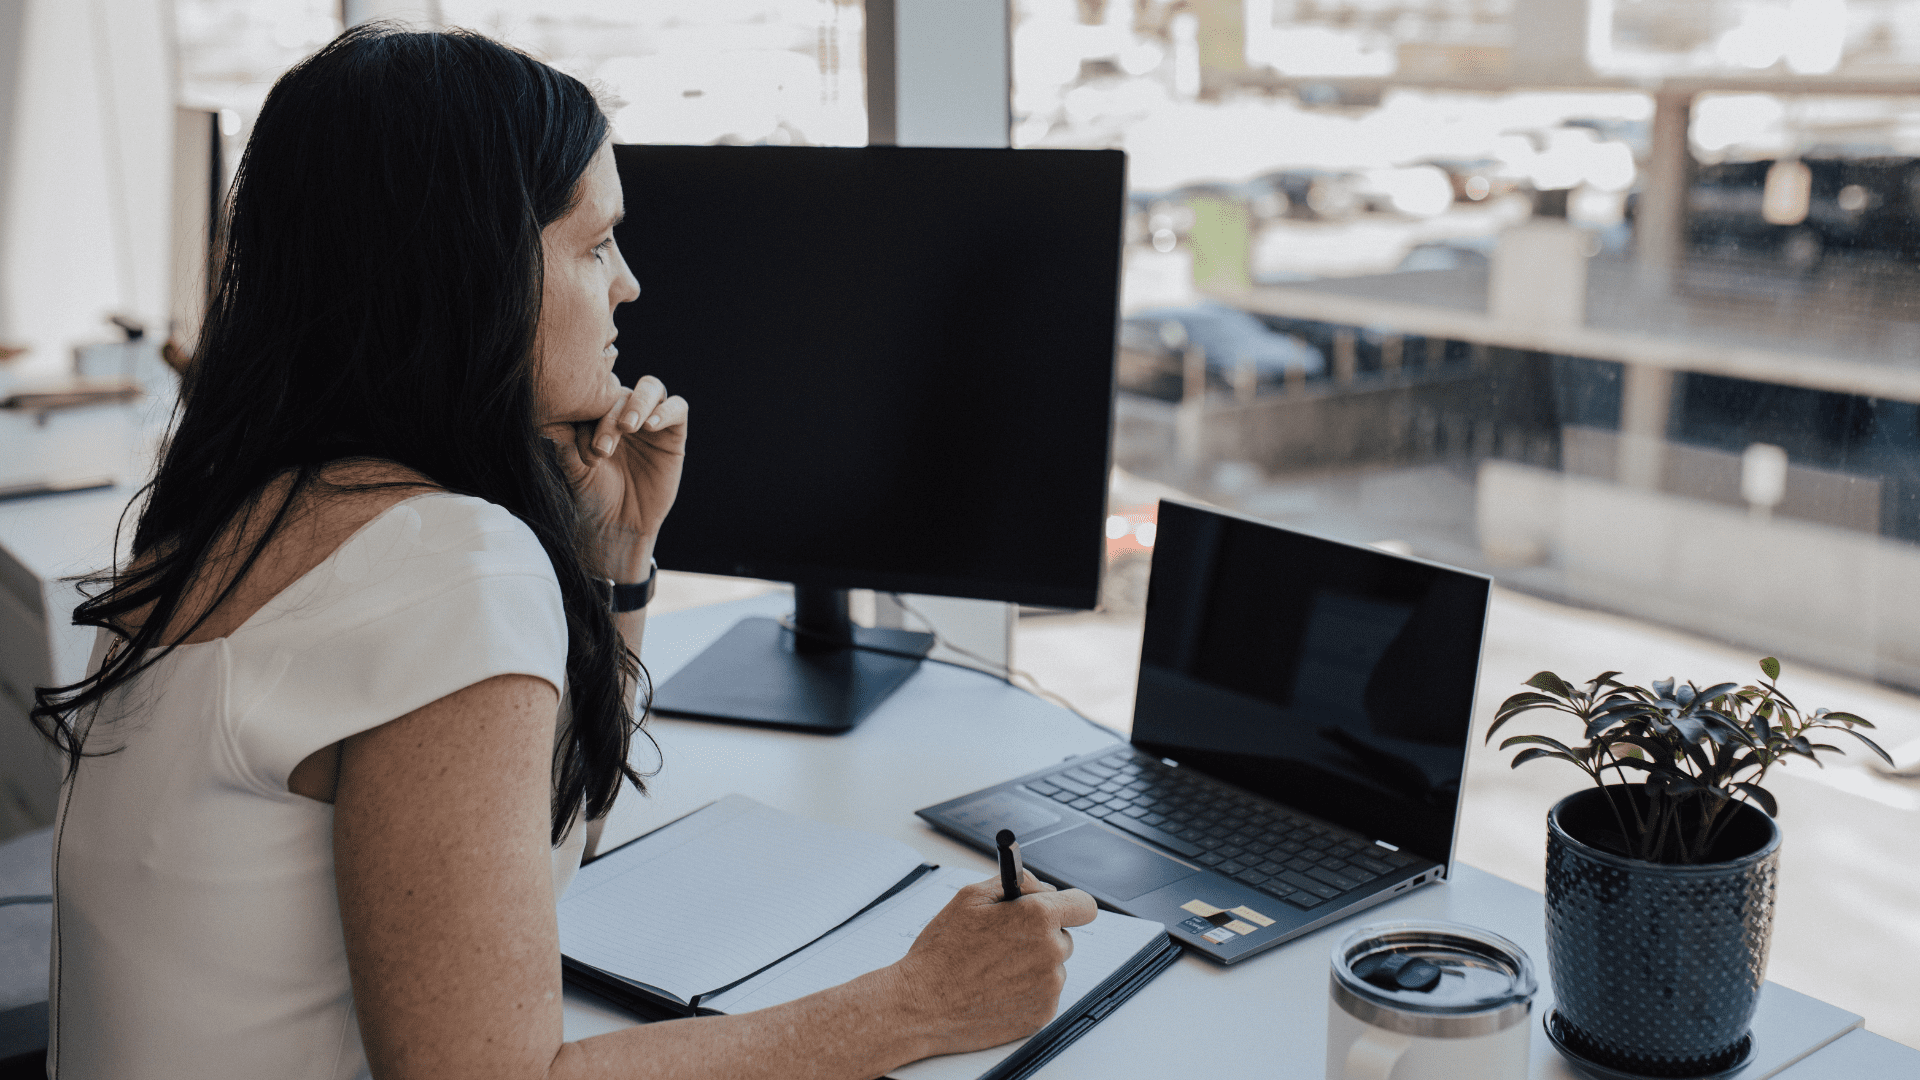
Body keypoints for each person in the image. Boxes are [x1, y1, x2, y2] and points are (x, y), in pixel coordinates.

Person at [30, 25, 1095, 1080]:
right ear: (470, 276)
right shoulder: (445, 562)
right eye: (593, 247)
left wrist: (615, 551)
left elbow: (544, 849)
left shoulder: (233, 505)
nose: (630, 283)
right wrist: (914, 1005)